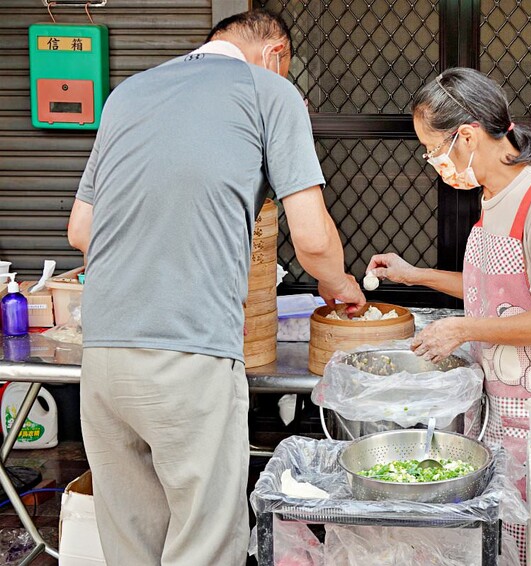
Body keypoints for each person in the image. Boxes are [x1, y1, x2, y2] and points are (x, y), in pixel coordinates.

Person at [67, 10, 365, 565]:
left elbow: (80, 230)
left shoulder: (127, 93)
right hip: (191, 353)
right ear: (276, 53)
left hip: (104, 353)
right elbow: (313, 239)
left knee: (131, 541)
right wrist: (340, 283)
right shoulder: (269, 92)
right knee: (203, 540)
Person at [367, 67, 531, 560]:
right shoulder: (493, 198)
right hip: (499, 406)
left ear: (466, 136)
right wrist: (416, 276)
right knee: (501, 534)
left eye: (431, 148)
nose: (432, 161)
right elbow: (490, 290)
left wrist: (463, 329)